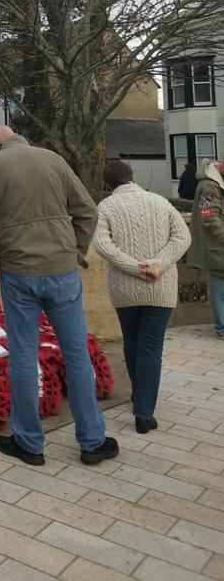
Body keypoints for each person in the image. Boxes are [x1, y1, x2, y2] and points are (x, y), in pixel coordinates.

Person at [0, 124, 118, 466]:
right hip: (62, 269)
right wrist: (75, 251)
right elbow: (87, 211)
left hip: (19, 271)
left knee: (23, 355)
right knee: (77, 354)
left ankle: (29, 442)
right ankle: (93, 441)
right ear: (19, 137)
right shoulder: (54, 159)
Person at [94, 160, 190, 432]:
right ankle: (144, 413)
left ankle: (140, 394)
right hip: (160, 286)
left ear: (107, 185)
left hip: (124, 289)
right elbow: (182, 237)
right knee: (151, 347)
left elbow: (102, 245)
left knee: (132, 341)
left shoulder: (106, 207)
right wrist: (156, 265)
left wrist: (135, 269)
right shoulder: (159, 201)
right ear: (132, 176)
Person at [188, 158, 224, 339]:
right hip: (217, 247)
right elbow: (208, 216)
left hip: (218, 245)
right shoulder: (210, 187)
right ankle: (222, 328)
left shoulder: (216, 183)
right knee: (219, 289)